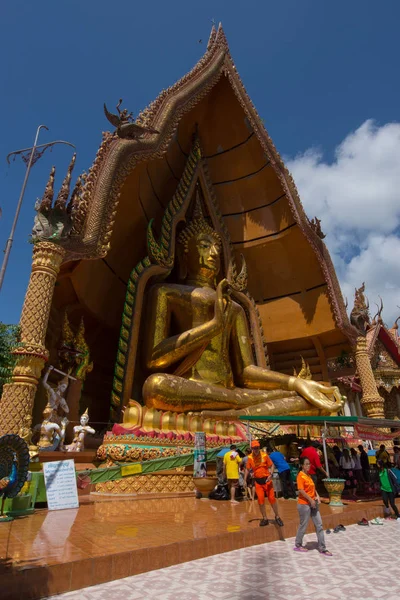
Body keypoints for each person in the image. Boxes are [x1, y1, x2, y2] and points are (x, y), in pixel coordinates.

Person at [294, 456, 332, 556]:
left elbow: (312, 488)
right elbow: (301, 490)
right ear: (302, 466)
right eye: (306, 464)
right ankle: (298, 544)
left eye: (309, 464)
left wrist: (317, 496)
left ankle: (322, 547)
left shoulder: (309, 476)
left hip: (313, 503)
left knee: (319, 524)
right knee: (304, 524)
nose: (308, 466)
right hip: (304, 504)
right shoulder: (300, 476)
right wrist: (310, 500)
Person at [244, 440, 284, 527]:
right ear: (251, 449)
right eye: (254, 448)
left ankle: (277, 516)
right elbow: (247, 469)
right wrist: (244, 480)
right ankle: (265, 518)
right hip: (258, 482)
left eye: (257, 448)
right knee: (261, 500)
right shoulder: (250, 458)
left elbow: (272, 465)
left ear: (259, 448)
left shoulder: (265, 455)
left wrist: (271, 474)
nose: (256, 450)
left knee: (272, 499)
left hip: (267, 481)